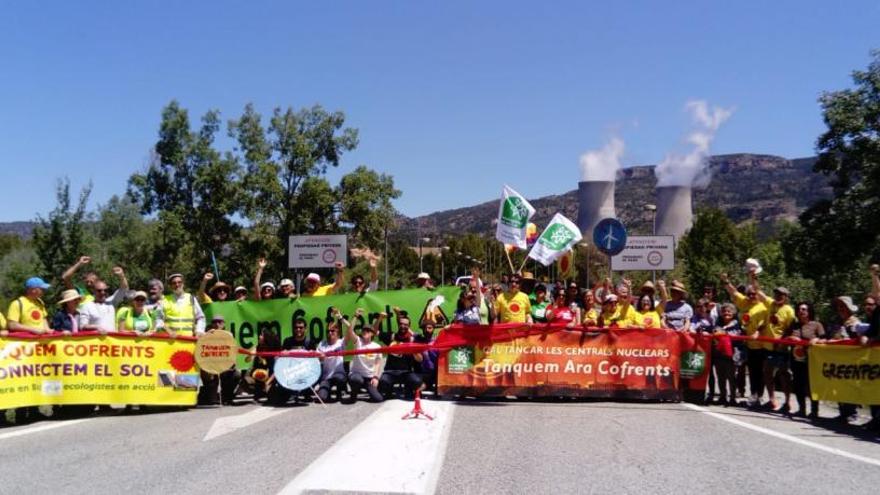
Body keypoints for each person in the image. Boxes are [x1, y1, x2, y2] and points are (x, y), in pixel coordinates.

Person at [721, 272, 768, 407]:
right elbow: (734, 292)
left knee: (760, 372)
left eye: (754, 293)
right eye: (749, 294)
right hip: (747, 344)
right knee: (751, 371)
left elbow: (763, 324)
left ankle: (760, 396)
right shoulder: (745, 303)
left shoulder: (763, 307)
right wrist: (725, 280)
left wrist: (753, 278)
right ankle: (753, 395)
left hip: (760, 345)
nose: (752, 296)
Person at [752, 276, 795, 412]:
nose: (778, 296)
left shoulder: (789, 310)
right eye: (776, 293)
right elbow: (758, 292)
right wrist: (753, 277)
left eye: (781, 294)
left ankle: (787, 402)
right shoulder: (770, 304)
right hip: (768, 346)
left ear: (786, 296)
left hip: (781, 347)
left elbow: (791, 328)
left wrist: (782, 341)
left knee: (784, 375)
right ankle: (772, 400)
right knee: (767, 373)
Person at [828, 295, 862, 423]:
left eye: (843, 306)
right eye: (839, 306)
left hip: (851, 360)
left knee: (849, 386)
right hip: (838, 359)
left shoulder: (855, 322)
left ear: (849, 308)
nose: (840, 309)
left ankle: (851, 412)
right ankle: (843, 411)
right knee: (839, 386)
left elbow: (857, 340)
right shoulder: (838, 323)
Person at [787, 301, 824, 419]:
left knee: (812, 385)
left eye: (804, 309)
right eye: (799, 309)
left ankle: (814, 411)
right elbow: (785, 337)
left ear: (809, 312)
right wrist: (791, 338)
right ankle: (801, 409)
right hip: (796, 359)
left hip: (812, 360)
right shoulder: (794, 325)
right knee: (798, 385)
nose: (801, 311)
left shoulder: (817, 325)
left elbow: (824, 339)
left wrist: (816, 339)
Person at [379, 312, 424, 399]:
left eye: (406, 325)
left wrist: (413, 351)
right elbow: (374, 331)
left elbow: (420, 359)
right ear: (398, 325)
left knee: (417, 381)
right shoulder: (391, 336)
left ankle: (409, 389)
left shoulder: (412, 340)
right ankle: (389, 390)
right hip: (390, 372)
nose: (403, 326)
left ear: (409, 326)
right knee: (383, 381)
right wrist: (380, 319)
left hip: (405, 372)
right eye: (401, 324)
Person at [344, 311, 385, 402]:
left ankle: (369, 390)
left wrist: (375, 377)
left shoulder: (377, 346)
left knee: (378, 399)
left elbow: (377, 364)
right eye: (363, 330)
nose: (365, 332)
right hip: (356, 375)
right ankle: (353, 395)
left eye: (368, 330)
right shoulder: (358, 341)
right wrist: (355, 316)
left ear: (372, 334)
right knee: (356, 380)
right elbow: (350, 330)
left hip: (369, 377)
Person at [154, 273, 206, 338]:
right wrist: (168, 330)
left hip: (189, 339)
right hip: (169, 340)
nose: (177, 285)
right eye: (174, 283)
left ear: (183, 284)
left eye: (179, 282)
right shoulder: (164, 300)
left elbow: (200, 317)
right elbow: (158, 319)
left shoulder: (191, 298)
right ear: (170, 286)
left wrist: (199, 330)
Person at [316, 309, 351, 402]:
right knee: (322, 398)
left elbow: (350, 328)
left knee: (339, 378)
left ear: (338, 333)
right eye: (328, 331)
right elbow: (317, 359)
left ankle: (340, 391)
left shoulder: (341, 342)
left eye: (332, 331)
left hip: (339, 375)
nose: (330, 333)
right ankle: (326, 391)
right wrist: (320, 358)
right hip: (326, 377)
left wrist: (340, 317)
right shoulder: (321, 344)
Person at [711, 303, 742, 406]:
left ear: (733, 313)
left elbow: (737, 336)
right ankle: (722, 396)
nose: (726, 313)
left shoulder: (737, 324)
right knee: (721, 377)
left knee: (731, 377)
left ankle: (732, 398)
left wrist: (724, 333)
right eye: (724, 311)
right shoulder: (717, 323)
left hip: (731, 355)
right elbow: (714, 333)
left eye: (729, 311)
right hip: (719, 354)